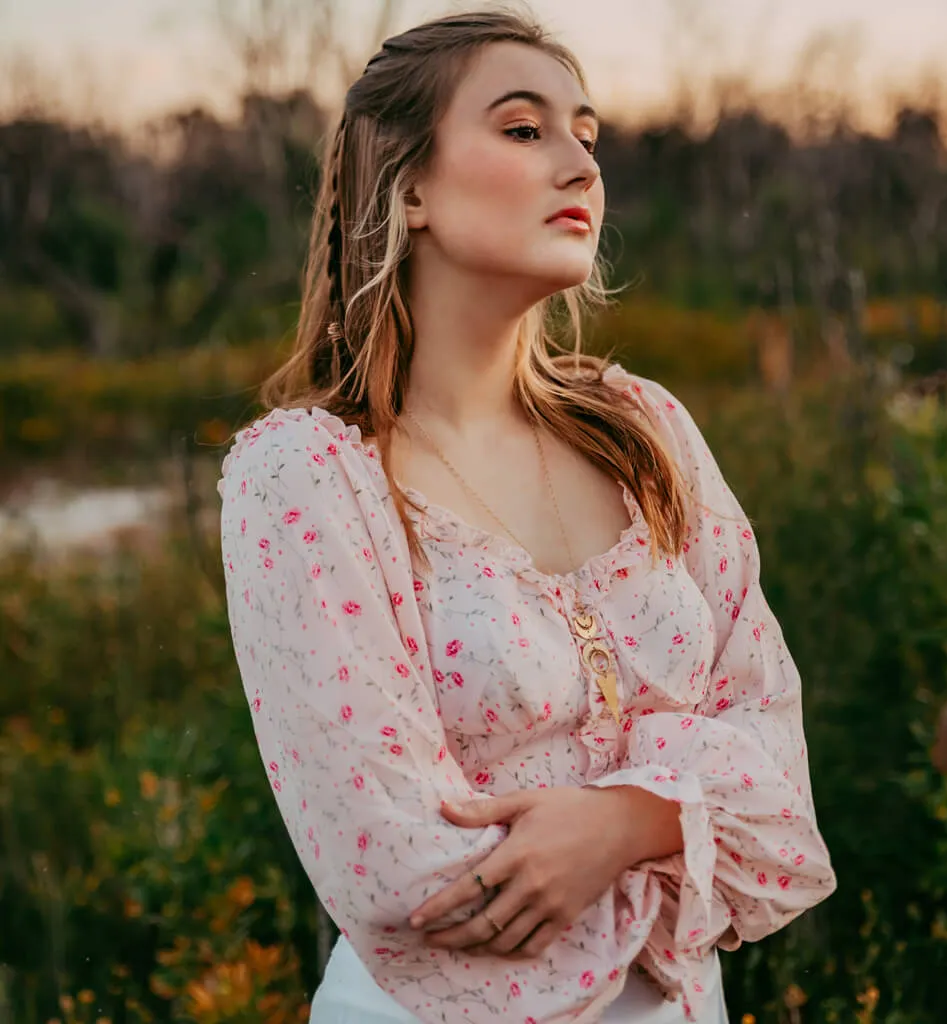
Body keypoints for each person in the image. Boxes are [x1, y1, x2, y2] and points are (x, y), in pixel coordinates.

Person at [216, 8, 837, 1023]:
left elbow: (777, 773)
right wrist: (688, 803)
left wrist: (624, 822)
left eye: (584, 135)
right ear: (407, 186)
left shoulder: (644, 435)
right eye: (521, 128)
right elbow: (399, 862)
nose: (579, 165)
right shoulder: (309, 477)